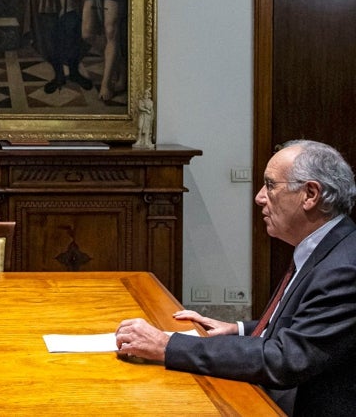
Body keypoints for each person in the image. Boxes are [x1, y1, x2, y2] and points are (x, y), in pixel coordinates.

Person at [115, 139, 356, 416]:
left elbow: (285, 359)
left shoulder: (344, 268)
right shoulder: (326, 246)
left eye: (270, 185)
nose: (259, 197)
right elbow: (309, 322)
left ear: (310, 194)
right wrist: (240, 329)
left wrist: (168, 346)